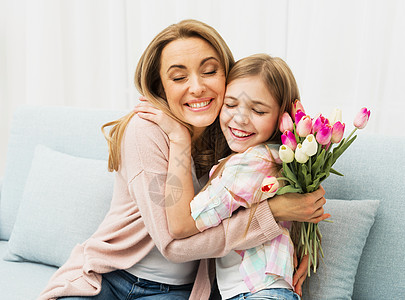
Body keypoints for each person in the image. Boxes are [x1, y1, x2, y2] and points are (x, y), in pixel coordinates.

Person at [39, 19, 328, 300]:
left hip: (178, 291)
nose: (197, 87)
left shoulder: (233, 131)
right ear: (161, 86)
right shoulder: (146, 130)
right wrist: (272, 214)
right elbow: (173, 244)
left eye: (210, 71)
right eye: (179, 77)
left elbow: (279, 173)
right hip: (109, 278)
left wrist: (298, 250)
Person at [135, 54, 309, 300]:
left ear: (285, 117)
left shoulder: (251, 163)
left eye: (258, 110)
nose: (240, 118)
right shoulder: (282, 160)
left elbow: (182, 225)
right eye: (230, 105)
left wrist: (178, 136)